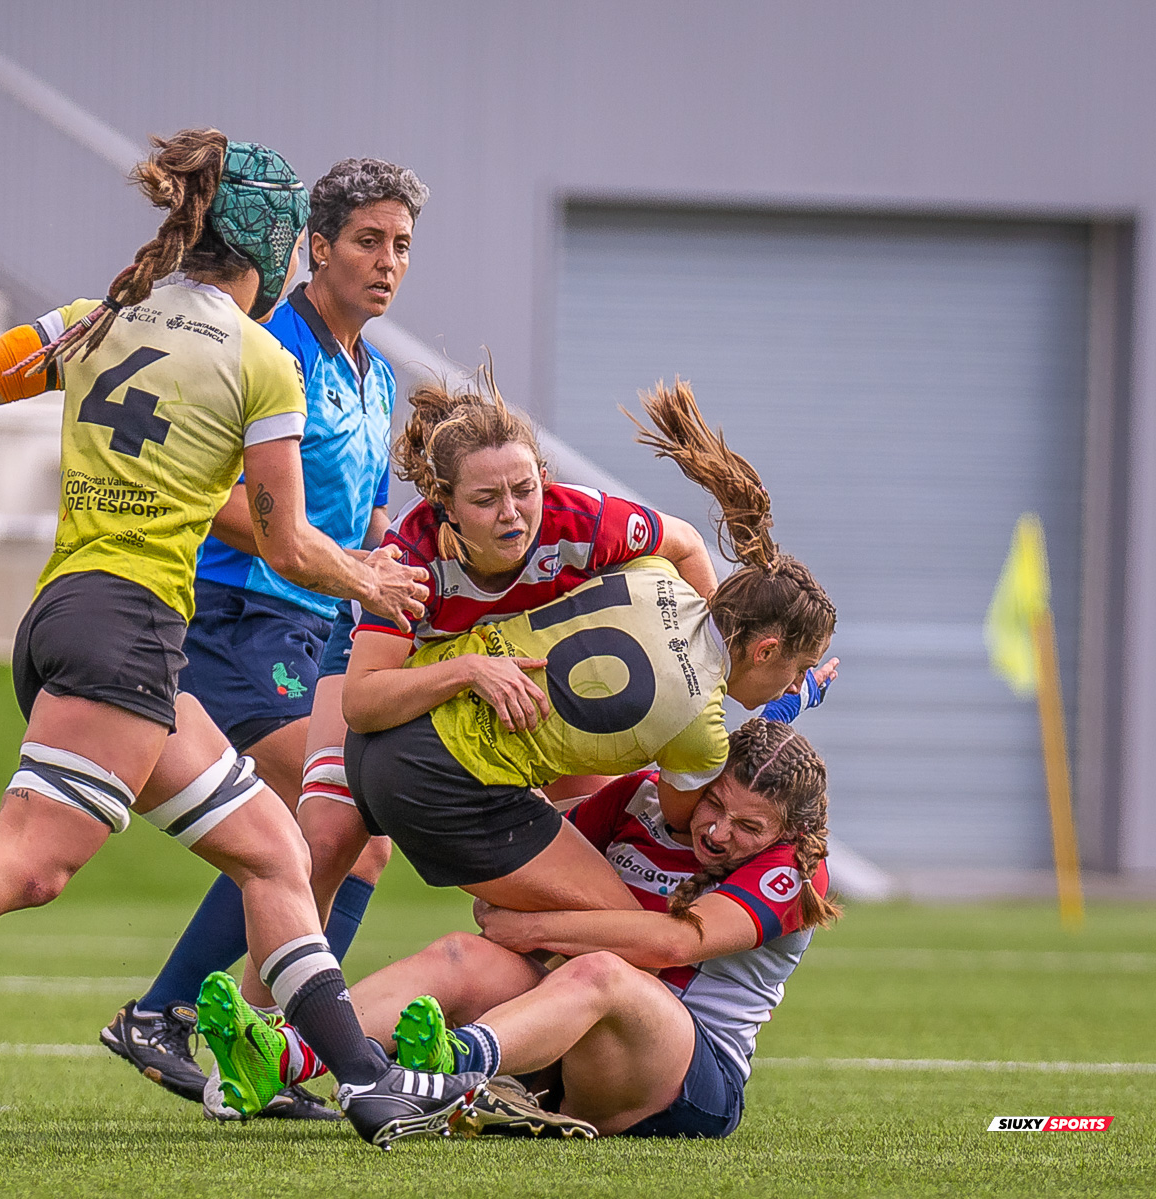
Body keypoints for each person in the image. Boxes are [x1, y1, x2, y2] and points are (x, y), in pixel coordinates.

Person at [0, 130, 484, 1148]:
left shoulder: (99, 316)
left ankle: (362, 1079)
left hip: (72, 615)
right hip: (130, 629)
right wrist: (368, 576)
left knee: (273, 848)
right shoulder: (264, 358)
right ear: (273, 243)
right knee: (32, 862)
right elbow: (284, 538)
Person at [99, 157, 428, 1118]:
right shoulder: (263, 343)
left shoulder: (379, 375)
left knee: (343, 838)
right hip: (243, 616)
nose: (386, 261)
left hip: (321, 626)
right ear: (313, 247)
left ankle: (240, 1042)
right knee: (337, 824)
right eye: (367, 240)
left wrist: (411, 566)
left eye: (401, 244)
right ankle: (180, 1017)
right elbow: (217, 497)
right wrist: (314, 555)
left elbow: (367, 521)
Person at [341, 380, 837, 913]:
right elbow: (362, 701)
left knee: (592, 859)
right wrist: (763, 699)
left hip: (423, 731)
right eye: (486, 499)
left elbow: (686, 553)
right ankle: (310, 997)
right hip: (404, 713)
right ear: (447, 506)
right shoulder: (407, 559)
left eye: (523, 490)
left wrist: (707, 658)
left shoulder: (637, 560)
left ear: (545, 482)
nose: (510, 512)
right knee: (618, 927)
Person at [356, 718, 837, 1140]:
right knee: (462, 954)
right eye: (713, 803)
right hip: (570, 1043)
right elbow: (521, 876)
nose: (717, 831)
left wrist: (535, 928)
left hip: (687, 1080)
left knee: (603, 972)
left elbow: (676, 941)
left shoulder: (794, 866)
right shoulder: (637, 797)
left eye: (748, 826)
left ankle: (449, 1069)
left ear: (788, 829)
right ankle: (302, 1046)